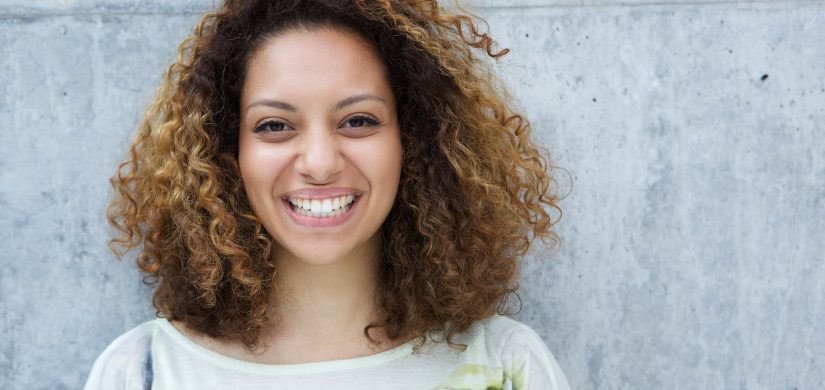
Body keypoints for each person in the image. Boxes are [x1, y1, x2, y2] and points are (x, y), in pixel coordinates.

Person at [84, 0, 570, 388]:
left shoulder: (508, 368)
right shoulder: (143, 373)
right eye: (274, 126)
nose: (319, 162)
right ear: (227, 152)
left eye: (358, 120)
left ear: (415, 140)